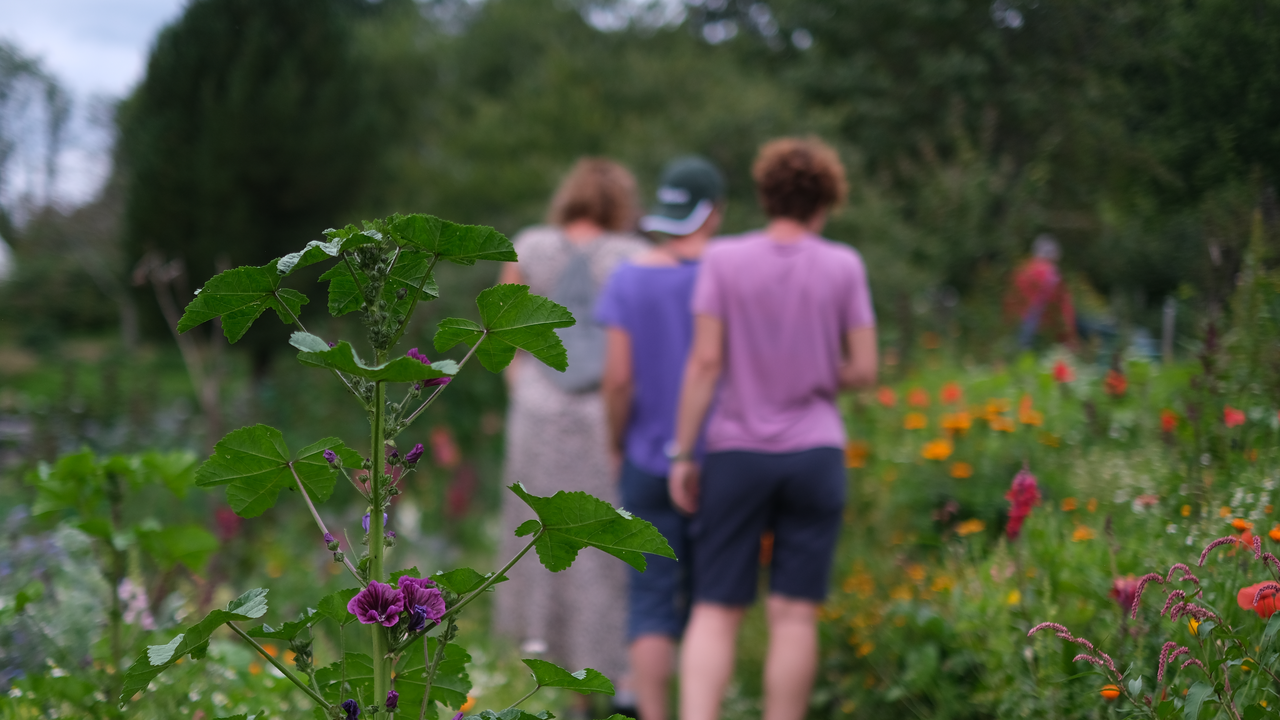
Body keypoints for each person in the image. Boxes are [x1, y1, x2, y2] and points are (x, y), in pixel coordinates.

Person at [667, 138, 878, 720]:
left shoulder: (725, 259)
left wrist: (684, 454)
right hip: (816, 454)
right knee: (794, 613)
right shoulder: (843, 265)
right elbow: (864, 368)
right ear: (827, 198)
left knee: (715, 608)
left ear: (765, 195)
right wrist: (811, 368)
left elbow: (706, 363)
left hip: (737, 454)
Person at [493, 158, 649, 695]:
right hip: (601, 413)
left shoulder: (530, 246)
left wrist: (524, 389)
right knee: (605, 539)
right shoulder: (634, 256)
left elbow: (500, 331)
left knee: (537, 537)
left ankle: (542, 668)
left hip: (537, 411)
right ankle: (617, 679)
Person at [595, 156, 726, 720]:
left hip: (646, 458)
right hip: (717, 457)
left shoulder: (628, 278)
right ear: (715, 213)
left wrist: (617, 440)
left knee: (649, 601)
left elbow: (618, 379)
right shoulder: (727, 274)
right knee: (708, 601)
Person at [1006, 234, 1077, 349]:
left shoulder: (1022, 269)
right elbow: (1061, 303)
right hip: (1040, 318)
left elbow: (1011, 296)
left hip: (1020, 317)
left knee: (1021, 349)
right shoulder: (1051, 272)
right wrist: (1069, 335)